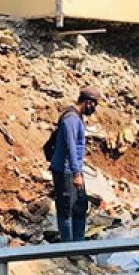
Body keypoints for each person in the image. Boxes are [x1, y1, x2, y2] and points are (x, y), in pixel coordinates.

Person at [49, 85, 100, 242]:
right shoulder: (71, 120)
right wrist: (76, 174)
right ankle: (68, 248)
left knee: (80, 206)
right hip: (66, 172)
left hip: (72, 170)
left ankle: (78, 244)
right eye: (94, 104)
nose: (94, 109)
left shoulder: (76, 117)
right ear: (87, 102)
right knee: (66, 211)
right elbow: (71, 146)